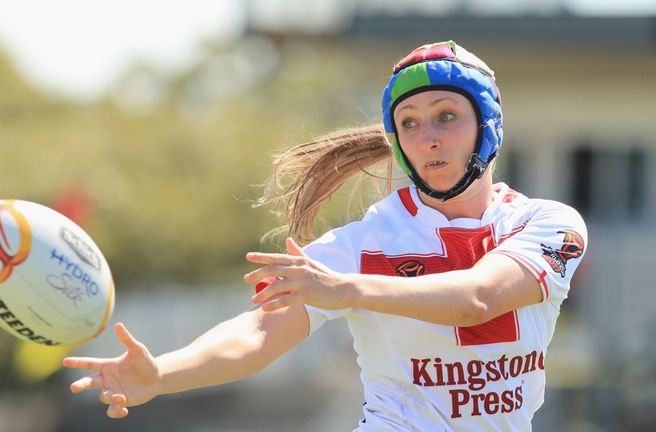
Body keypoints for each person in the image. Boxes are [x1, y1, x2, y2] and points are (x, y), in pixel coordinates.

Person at [63, 40, 587, 430]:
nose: (427, 138)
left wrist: (349, 288)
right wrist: (162, 374)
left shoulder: (548, 225)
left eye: (446, 116)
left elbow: (478, 298)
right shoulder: (360, 245)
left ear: (488, 124)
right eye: (408, 123)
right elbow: (258, 333)